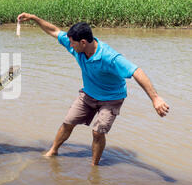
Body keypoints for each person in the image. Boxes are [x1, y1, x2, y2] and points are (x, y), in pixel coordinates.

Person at [17, 13, 170, 165]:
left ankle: (94, 166)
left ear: (83, 42)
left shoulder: (109, 57)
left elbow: (136, 71)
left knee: (98, 132)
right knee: (68, 122)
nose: (70, 45)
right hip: (88, 95)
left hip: (111, 99)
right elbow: (54, 31)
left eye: (72, 43)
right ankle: (53, 150)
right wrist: (35, 19)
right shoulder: (77, 48)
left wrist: (155, 98)